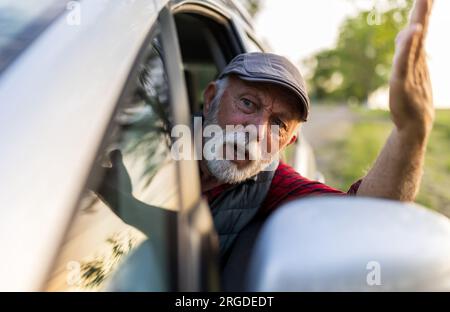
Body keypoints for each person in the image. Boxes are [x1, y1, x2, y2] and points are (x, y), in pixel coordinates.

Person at [97, 0, 434, 290]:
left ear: (289, 141)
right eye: (247, 103)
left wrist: (410, 131)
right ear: (211, 97)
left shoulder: (272, 184)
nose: (257, 132)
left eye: (278, 123)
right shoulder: (147, 136)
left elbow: (366, 219)